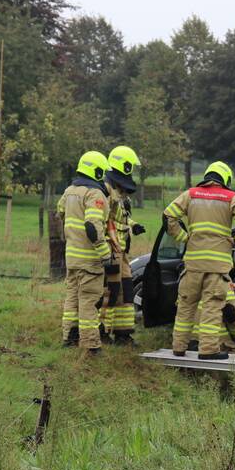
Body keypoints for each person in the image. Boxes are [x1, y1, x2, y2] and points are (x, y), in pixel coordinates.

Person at [164, 161, 235, 360]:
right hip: (217, 267)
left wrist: (184, 238)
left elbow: (168, 216)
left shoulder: (190, 194)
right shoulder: (231, 198)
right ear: (226, 179)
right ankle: (208, 350)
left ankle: (178, 347)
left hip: (192, 264)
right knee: (212, 307)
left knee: (186, 307)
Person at [58, 151, 112, 354]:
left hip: (72, 257)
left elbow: (60, 212)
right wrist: (105, 253)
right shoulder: (94, 194)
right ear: (96, 171)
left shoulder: (69, 191)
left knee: (72, 298)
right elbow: (92, 225)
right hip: (89, 260)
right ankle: (91, 345)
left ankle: (69, 337)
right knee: (89, 300)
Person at [101, 145, 145, 346]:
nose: (131, 170)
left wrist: (133, 226)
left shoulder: (119, 191)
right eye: (130, 165)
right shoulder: (106, 190)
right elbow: (103, 220)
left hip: (122, 252)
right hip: (111, 250)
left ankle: (123, 334)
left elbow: (120, 218)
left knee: (126, 291)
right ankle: (101, 331)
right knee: (109, 292)